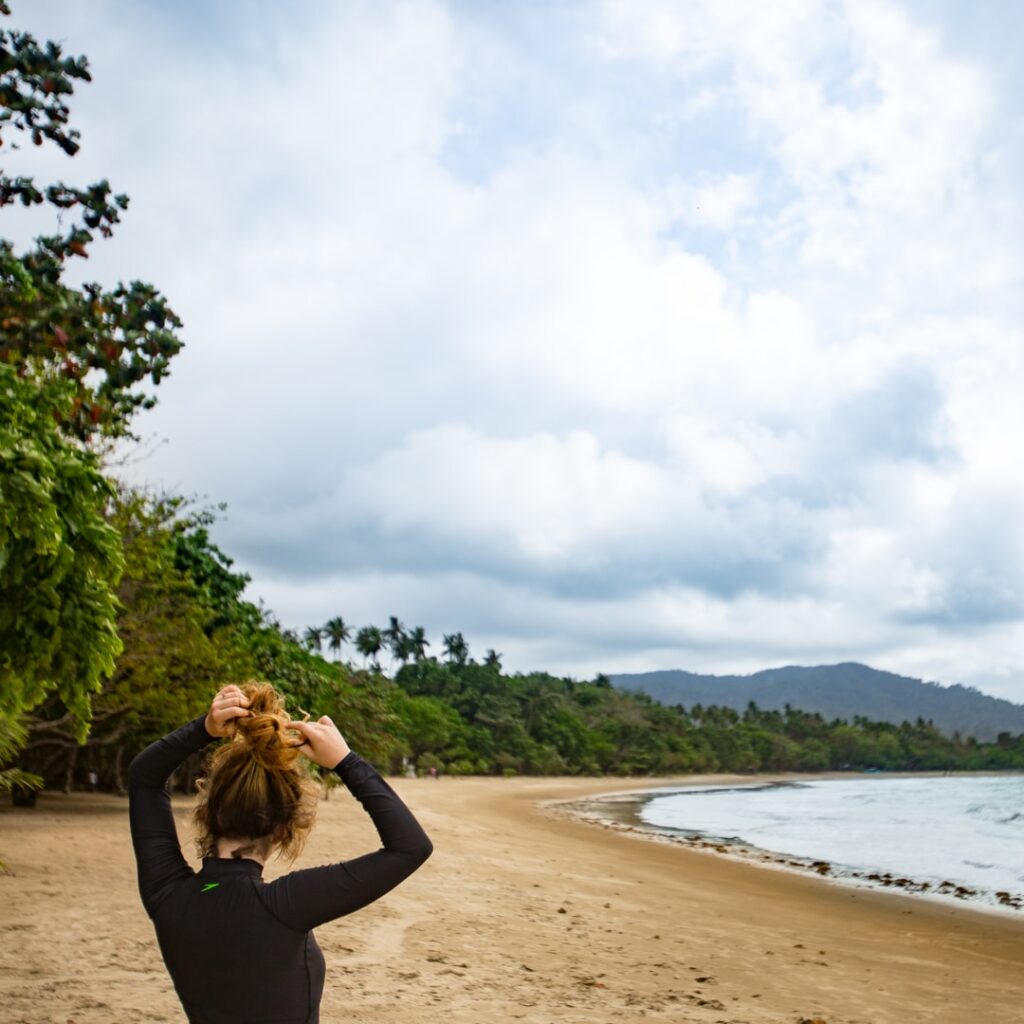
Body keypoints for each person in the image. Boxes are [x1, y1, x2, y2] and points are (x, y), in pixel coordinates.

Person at [128, 682, 432, 1024]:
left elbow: (144, 778)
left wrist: (205, 728)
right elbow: (411, 847)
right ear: (284, 830)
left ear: (208, 812)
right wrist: (345, 761)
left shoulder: (167, 893)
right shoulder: (285, 905)